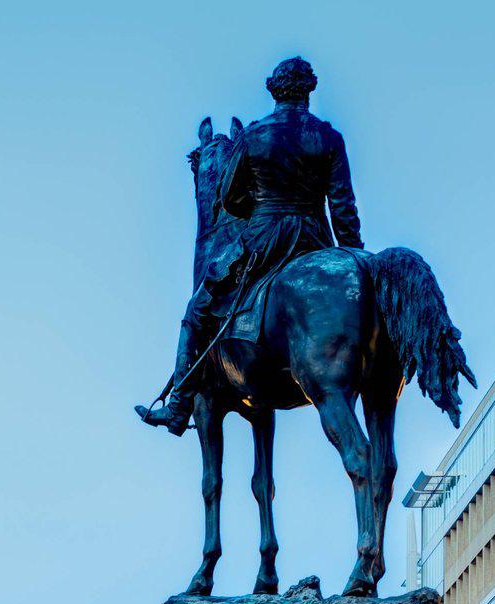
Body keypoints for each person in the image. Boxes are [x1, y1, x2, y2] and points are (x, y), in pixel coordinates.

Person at [136, 56, 363, 436]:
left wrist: (254, 211)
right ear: (309, 90)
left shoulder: (254, 136)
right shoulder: (328, 136)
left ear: (274, 90)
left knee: (198, 308)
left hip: (264, 238)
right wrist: (352, 260)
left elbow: (228, 197)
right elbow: (343, 207)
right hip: (315, 241)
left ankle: (177, 407)